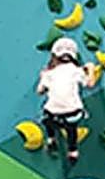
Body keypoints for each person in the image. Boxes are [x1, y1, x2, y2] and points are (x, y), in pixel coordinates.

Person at [39, 37, 99, 165]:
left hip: (52, 115)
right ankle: (73, 151)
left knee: (46, 114)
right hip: (72, 114)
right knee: (71, 131)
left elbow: (40, 91)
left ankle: (51, 138)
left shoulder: (49, 73)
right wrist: (91, 69)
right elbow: (90, 84)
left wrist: (42, 77)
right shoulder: (77, 71)